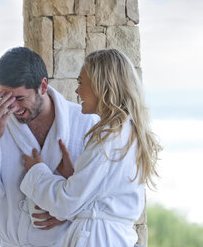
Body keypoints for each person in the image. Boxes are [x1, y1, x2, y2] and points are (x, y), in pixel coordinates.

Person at [0, 47, 97, 247]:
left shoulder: (84, 124)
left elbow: (105, 194)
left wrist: (71, 212)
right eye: (4, 97)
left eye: (20, 98)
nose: (12, 107)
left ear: (43, 86)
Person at [20, 49, 161, 246]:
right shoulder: (128, 132)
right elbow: (102, 196)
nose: (77, 91)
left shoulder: (108, 136)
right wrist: (75, 175)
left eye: (80, 83)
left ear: (100, 85)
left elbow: (67, 203)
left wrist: (37, 170)